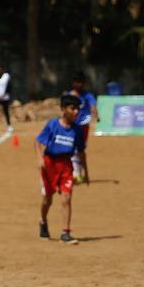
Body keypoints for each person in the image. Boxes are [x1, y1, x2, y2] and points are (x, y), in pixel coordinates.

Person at [35, 95, 86, 245]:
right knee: (47, 199)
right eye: (73, 108)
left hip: (66, 165)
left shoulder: (77, 130)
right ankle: (43, 221)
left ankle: (65, 232)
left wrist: (84, 171)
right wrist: (39, 158)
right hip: (50, 164)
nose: (76, 112)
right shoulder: (53, 125)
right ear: (63, 110)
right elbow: (38, 142)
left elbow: (81, 152)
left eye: (78, 109)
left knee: (66, 198)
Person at [68, 72, 98, 182]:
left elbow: (93, 106)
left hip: (83, 126)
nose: (78, 84)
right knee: (72, 148)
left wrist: (96, 116)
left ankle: (79, 171)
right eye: (76, 82)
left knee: (80, 149)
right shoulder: (70, 95)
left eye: (80, 82)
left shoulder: (88, 95)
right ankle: (75, 172)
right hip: (72, 125)